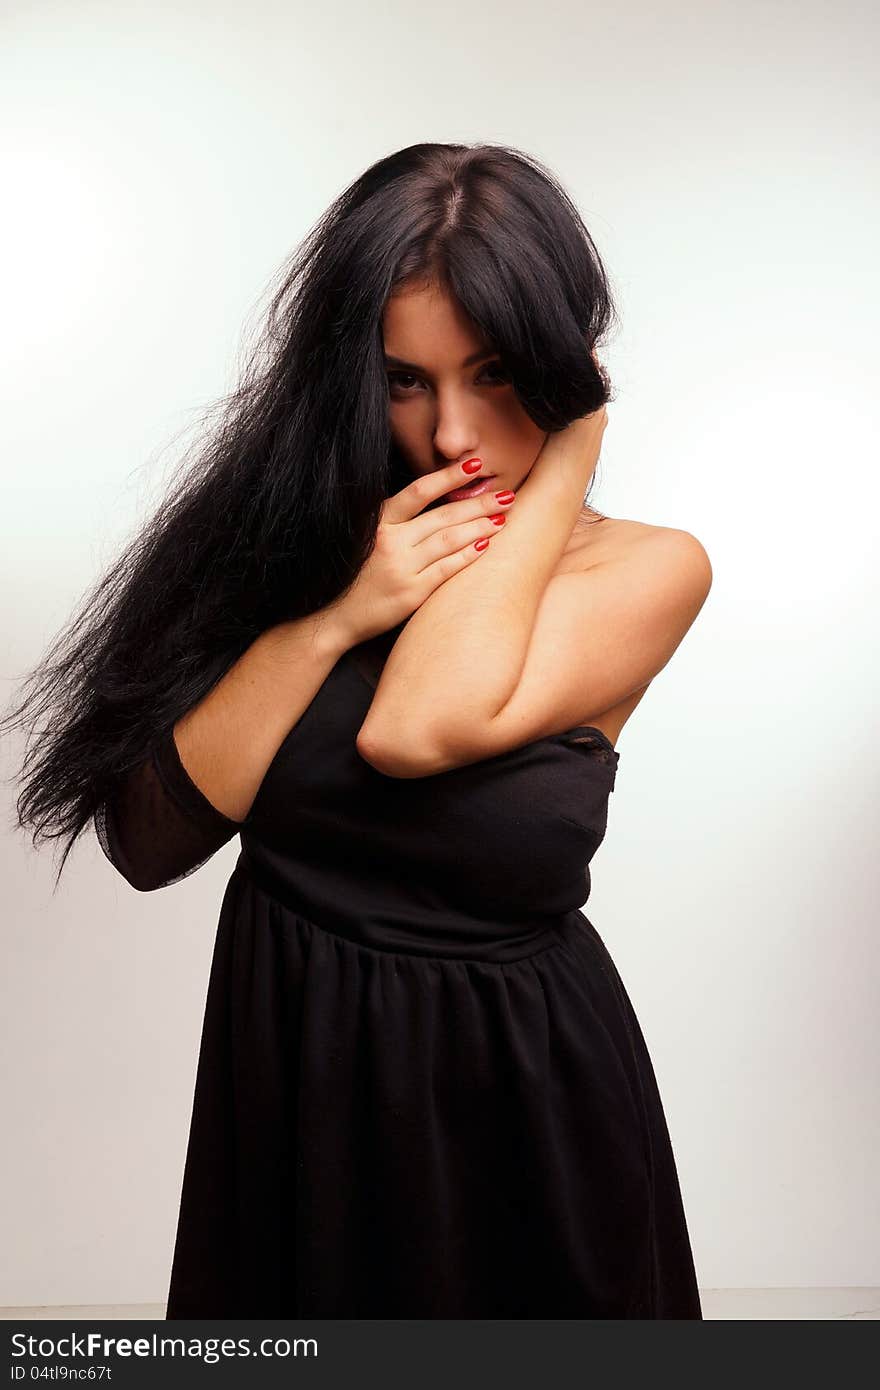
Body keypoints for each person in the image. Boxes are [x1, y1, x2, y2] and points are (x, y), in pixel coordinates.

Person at [2, 142, 712, 1317]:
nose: (451, 438)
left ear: (567, 365)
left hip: (525, 1103)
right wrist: (333, 619)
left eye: (497, 376)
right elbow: (149, 842)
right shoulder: (293, 542)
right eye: (406, 381)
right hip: (300, 1094)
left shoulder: (647, 570)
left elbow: (414, 727)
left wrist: (563, 461)